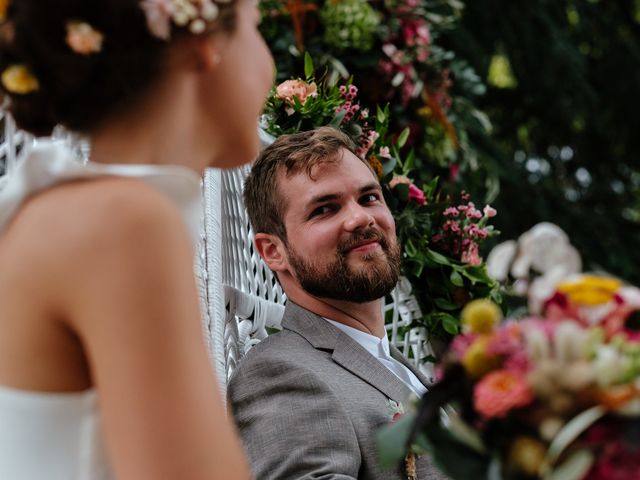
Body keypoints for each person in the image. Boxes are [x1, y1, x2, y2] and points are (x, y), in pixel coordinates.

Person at [0, 0, 273, 478]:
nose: (269, 63)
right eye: (257, 27)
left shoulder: (77, 212)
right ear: (203, 41)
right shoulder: (124, 225)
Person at [229, 127, 447, 479]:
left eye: (369, 198)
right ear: (274, 251)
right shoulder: (281, 374)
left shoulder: (398, 367)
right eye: (325, 209)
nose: (361, 218)